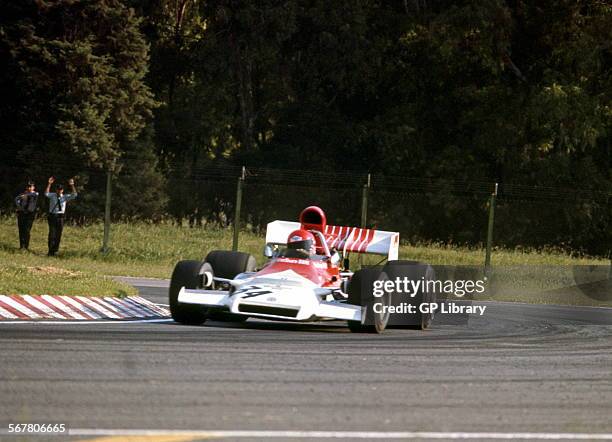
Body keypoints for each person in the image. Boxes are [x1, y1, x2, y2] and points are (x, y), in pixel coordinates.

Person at [45, 176, 77, 256]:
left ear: (62, 190)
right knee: (52, 233)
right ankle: (50, 251)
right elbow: (46, 193)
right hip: (53, 216)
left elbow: (74, 195)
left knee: (58, 234)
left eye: (61, 189)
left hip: (61, 217)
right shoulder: (52, 195)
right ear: (56, 190)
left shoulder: (65, 197)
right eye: (58, 189)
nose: (59, 191)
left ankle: (55, 250)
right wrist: (49, 184)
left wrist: (72, 185)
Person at [14, 181, 39, 250]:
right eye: (28, 186)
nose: (30, 188)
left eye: (31, 186)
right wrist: (19, 207)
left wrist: (26, 195)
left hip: (30, 214)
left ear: (34, 187)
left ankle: (26, 246)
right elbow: (16, 199)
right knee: (21, 230)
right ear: (26, 187)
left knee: (27, 230)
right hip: (21, 213)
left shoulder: (35, 194)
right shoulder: (23, 194)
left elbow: (33, 195)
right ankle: (21, 246)